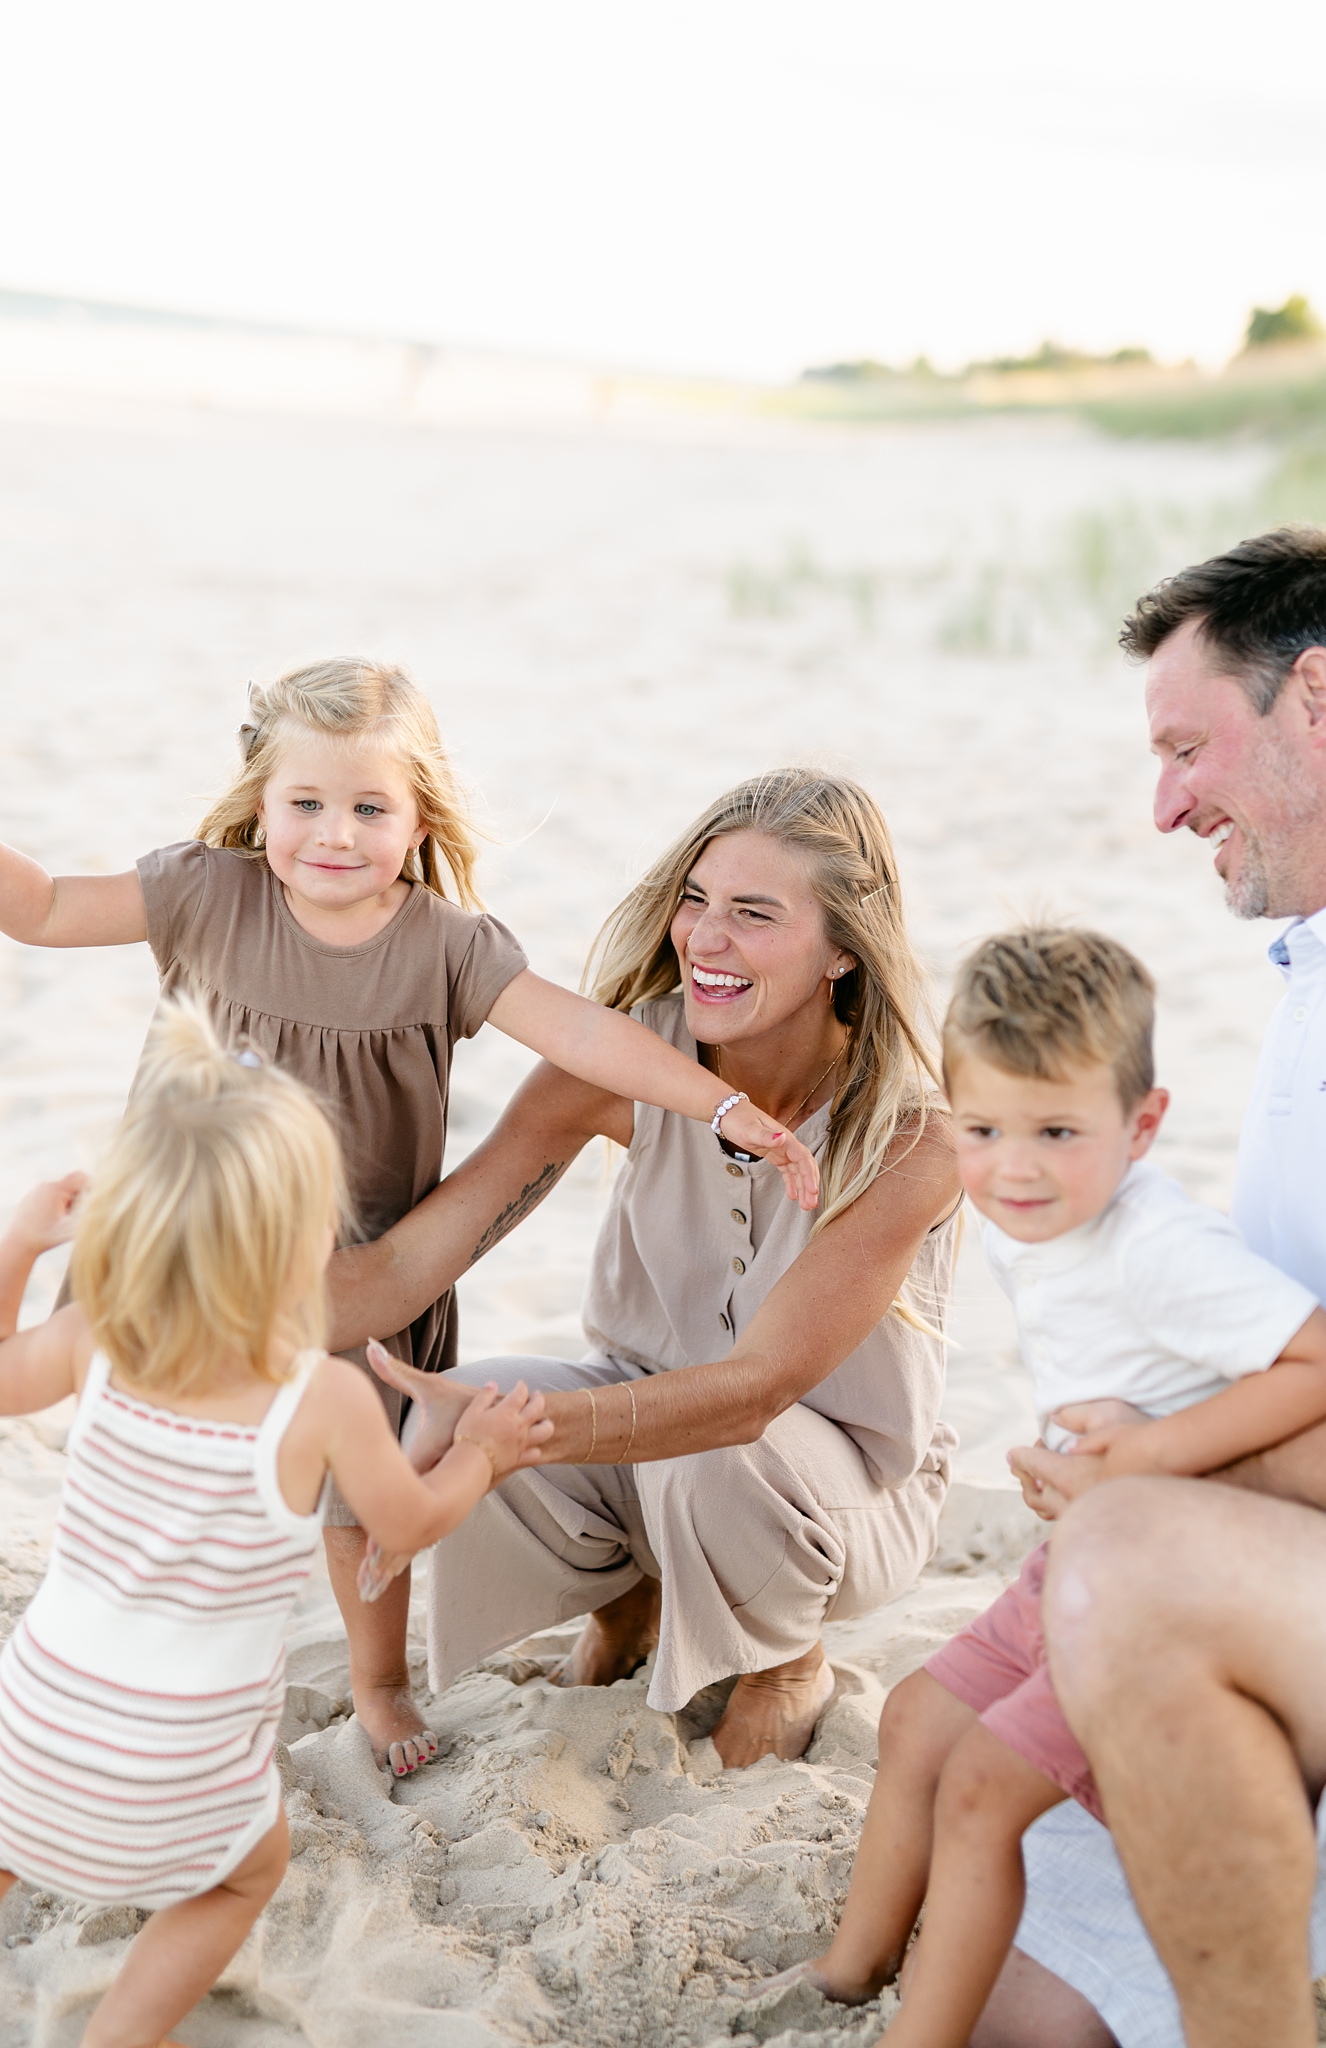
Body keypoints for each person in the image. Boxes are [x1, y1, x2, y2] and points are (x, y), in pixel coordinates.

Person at [0, 659, 816, 1779]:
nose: (334, 834)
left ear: (419, 812)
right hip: (188, 1238)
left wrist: (719, 1100)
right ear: (259, 802)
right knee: (150, 1452)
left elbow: (580, 1035)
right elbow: (40, 907)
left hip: (360, 1264)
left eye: (370, 806)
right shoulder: (206, 890)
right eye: (307, 803)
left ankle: (376, 1683)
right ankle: (134, 1651)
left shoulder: (445, 943)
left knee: (355, 1499)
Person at [761, 924, 1326, 2048]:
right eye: (983, 1130)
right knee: (912, 1720)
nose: (1016, 1168)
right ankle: (844, 1975)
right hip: (1070, 1551)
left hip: (1162, 1570)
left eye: (1055, 1132)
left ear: (1141, 1125)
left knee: (984, 1794)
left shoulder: (1156, 1245)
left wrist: (1144, 1454)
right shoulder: (1023, 1216)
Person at [327, 768, 962, 1768]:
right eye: (696, 901)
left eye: (753, 914)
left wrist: (513, 1439)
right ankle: (633, 1606)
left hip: (833, 1486)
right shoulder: (627, 1057)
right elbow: (415, 1257)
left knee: (706, 1450)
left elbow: (757, 1393)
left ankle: (783, 1662)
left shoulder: (909, 1132)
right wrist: (216, 1315)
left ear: (843, 948)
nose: (704, 938)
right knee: (449, 1399)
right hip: (652, 1426)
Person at [973, 527, 1326, 2048]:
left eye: (1184, 746)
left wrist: (1152, 1462)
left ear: (1315, 700)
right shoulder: (1314, 970)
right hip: (1292, 1598)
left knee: (1128, 1553)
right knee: (1018, 2013)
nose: (1162, 806)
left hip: (1286, 1591)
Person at [0, 1000, 551, 2048]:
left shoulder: (93, 1340)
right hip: (180, 1753)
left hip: (34, 1717)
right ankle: (120, 2035)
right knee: (240, 1873)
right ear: (304, 1238)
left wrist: (23, 1238)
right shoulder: (320, 1400)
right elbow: (413, 1519)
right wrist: (484, 1449)